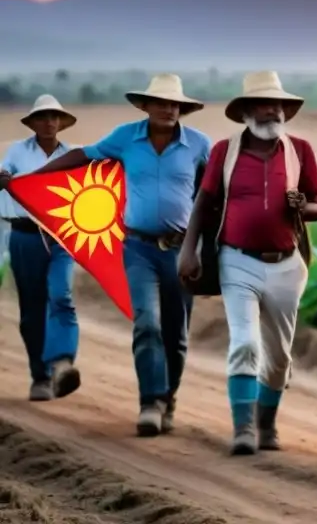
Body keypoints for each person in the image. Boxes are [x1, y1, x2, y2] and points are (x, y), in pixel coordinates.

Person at [22, 74, 211, 437]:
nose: (168, 109)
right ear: (144, 106)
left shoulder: (200, 145)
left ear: (182, 109)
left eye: (174, 104)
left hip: (181, 251)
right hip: (138, 248)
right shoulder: (126, 137)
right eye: (160, 102)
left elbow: (214, 188)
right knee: (147, 323)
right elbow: (83, 155)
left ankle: (168, 398)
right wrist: (35, 176)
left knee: (176, 332)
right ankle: (150, 403)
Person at [178, 71, 317, 456]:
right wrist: (188, 249)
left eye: (278, 105)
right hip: (236, 260)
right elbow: (203, 203)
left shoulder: (300, 151)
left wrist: (302, 206)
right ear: (246, 111)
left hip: (287, 265)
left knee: (278, 359)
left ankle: (266, 423)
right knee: (244, 342)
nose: (273, 110)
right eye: (265, 104)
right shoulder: (223, 152)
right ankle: (242, 428)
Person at [0, 95, 82, 401]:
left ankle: (62, 363)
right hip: (24, 236)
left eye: (54, 117)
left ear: (61, 122)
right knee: (32, 310)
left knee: (61, 295)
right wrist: (5, 179)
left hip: (62, 238)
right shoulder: (17, 152)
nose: (49, 122)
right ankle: (40, 376)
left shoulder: (74, 154)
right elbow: (3, 174)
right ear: (32, 122)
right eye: (42, 117)